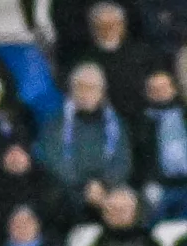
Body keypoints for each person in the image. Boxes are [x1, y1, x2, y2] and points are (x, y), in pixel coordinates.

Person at [37, 63, 132, 220]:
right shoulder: (55, 123)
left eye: (92, 88)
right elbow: (54, 160)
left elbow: (123, 160)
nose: (86, 93)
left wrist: (104, 183)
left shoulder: (116, 123)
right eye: (80, 87)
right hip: (70, 191)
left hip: (107, 189)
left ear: (101, 92)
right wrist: (84, 186)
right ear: (72, 91)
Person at [137, 69, 187, 222]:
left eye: (164, 87)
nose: (160, 93)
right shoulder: (141, 122)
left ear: (174, 89)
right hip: (159, 185)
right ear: (147, 93)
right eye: (154, 89)